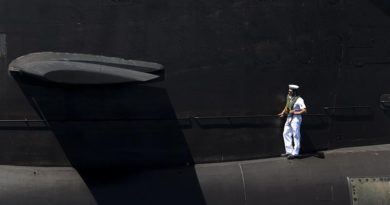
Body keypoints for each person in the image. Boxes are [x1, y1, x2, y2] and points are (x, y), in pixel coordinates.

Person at [278, 84, 307, 159]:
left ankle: (295, 153)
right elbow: (287, 106)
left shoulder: (299, 99)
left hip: (296, 118)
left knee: (296, 135)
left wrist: (295, 112)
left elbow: (304, 110)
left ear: (294, 91)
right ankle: (289, 151)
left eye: (290, 91)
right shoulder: (288, 97)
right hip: (289, 117)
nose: (288, 92)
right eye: (289, 90)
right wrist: (283, 113)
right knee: (286, 133)